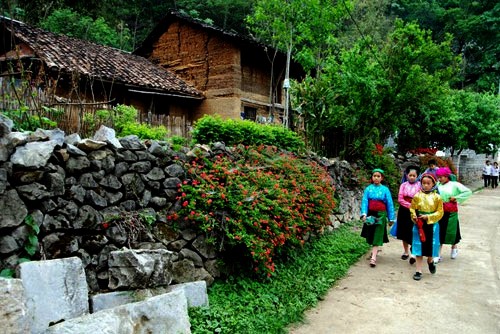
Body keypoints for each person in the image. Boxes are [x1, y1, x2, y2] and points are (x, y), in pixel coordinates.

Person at [409, 173, 444, 281]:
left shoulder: (437, 197)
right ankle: (418, 271)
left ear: (433, 183)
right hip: (419, 225)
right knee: (418, 246)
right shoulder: (417, 196)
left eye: (428, 183)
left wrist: (428, 217)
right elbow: (412, 209)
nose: (425, 185)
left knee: (431, 246)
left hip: (432, 225)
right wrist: (414, 217)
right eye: (423, 183)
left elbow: (440, 212)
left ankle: (430, 261)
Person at [360, 168, 396, 268]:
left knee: (377, 234)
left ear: (382, 178)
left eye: (378, 176)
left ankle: (373, 257)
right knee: (371, 233)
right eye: (374, 176)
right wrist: (364, 213)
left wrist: (391, 218)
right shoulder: (368, 189)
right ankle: (374, 251)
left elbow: (389, 204)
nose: (376, 178)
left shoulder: (385, 190)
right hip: (371, 214)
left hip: (381, 214)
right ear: (372, 177)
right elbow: (365, 201)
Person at [436, 167, 472, 260]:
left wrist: (456, 197)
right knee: (440, 231)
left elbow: (467, 192)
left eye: (441, 177)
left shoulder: (454, 184)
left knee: (452, 230)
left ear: (446, 176)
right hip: (439, 210)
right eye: (438, 177)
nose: (439, 179)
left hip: (451, 211)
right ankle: (438, 254)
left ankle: (454, 247)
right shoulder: (437, 185)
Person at [396, 166, 421, 264]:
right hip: (404, 211)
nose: (412, 177)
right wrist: (409, 205)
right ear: (406, 175)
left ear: (417, 176)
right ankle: (406, 251)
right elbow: (400, 199)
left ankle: (413, 250)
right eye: (410, 175)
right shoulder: (403, 185)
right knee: (403, 231)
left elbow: (420, 198)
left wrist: (414, 206)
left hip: (415, 211)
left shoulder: (420, 186)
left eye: (414, 175)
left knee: (414, 231)